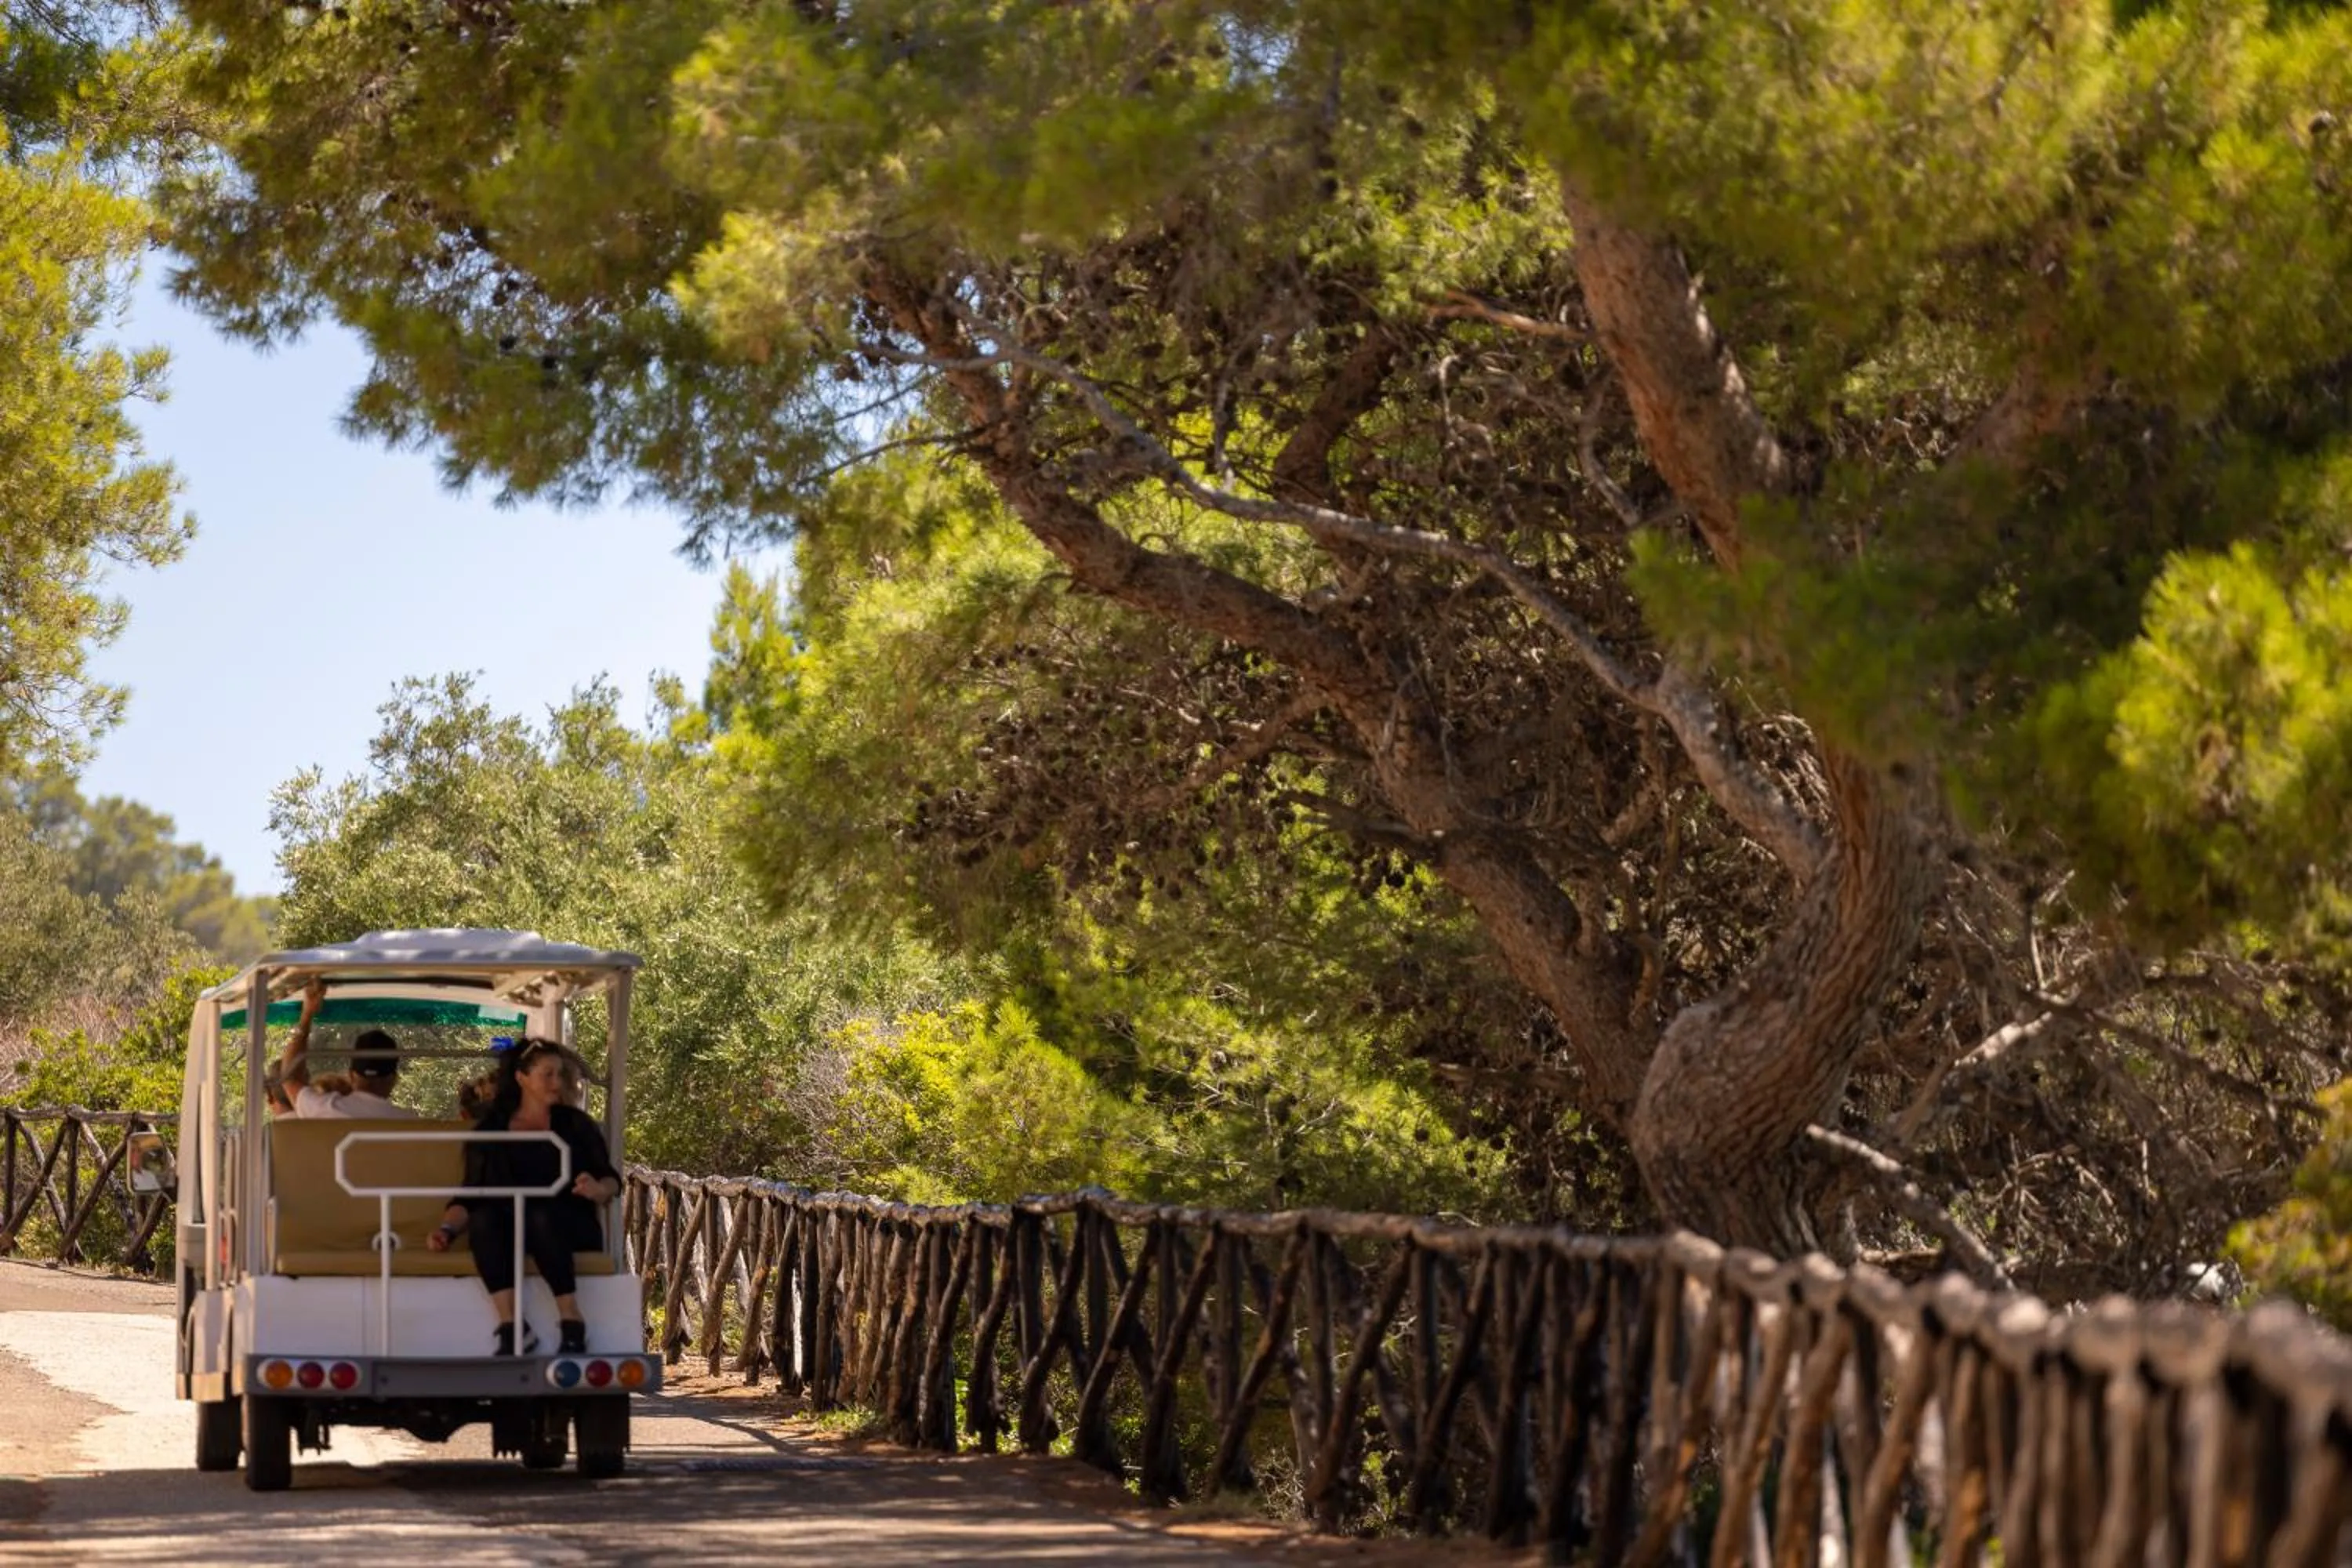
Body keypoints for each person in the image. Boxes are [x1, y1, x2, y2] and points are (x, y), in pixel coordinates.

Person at [426, 1038, 619, 1356]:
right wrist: (446, 1230)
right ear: (521, 1078)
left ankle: (572, 1320)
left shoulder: (576, 1125)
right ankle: (512, 1327)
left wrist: (598, 1190)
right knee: (484, 1219)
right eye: (548, 1075)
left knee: (539, 1214)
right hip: (510, 1230)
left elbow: (610, 1178)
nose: (557, 1083)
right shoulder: (491, 1132)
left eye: (560, 1074)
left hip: (568, 1225)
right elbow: (471, 1195)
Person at [278, 980, 417, 1120]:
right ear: (393, 1080)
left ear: (351, 1076)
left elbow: (289, 1077)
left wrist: (307, 1014)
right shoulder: (411, 1124)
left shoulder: (325, 1109)